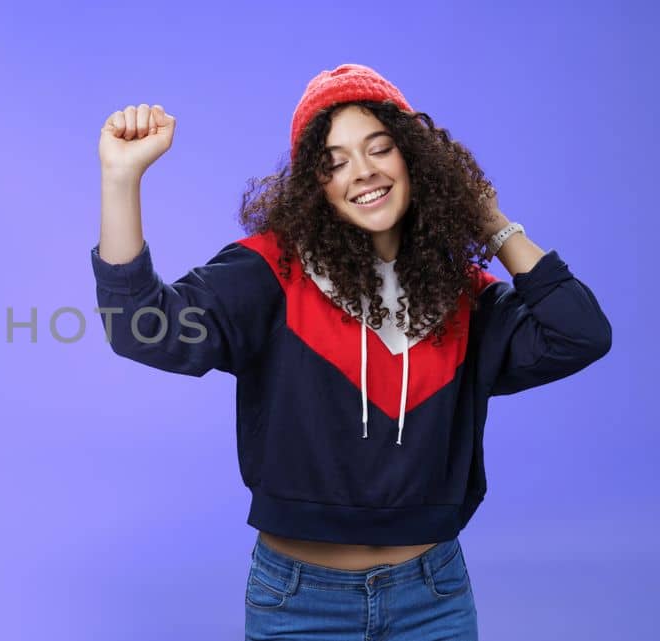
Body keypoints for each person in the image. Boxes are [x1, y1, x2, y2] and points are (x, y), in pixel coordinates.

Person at [90, 63, 613, 640]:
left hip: (433, 598)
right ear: (315, 186)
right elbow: (141, 329)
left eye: (380, 148)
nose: (362, 173)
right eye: (333, 162)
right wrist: (121, 180)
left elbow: (580, 334)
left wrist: (490, 220)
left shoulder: (464, 294)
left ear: (416, 158)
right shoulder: (271, 273)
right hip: (297, 603)